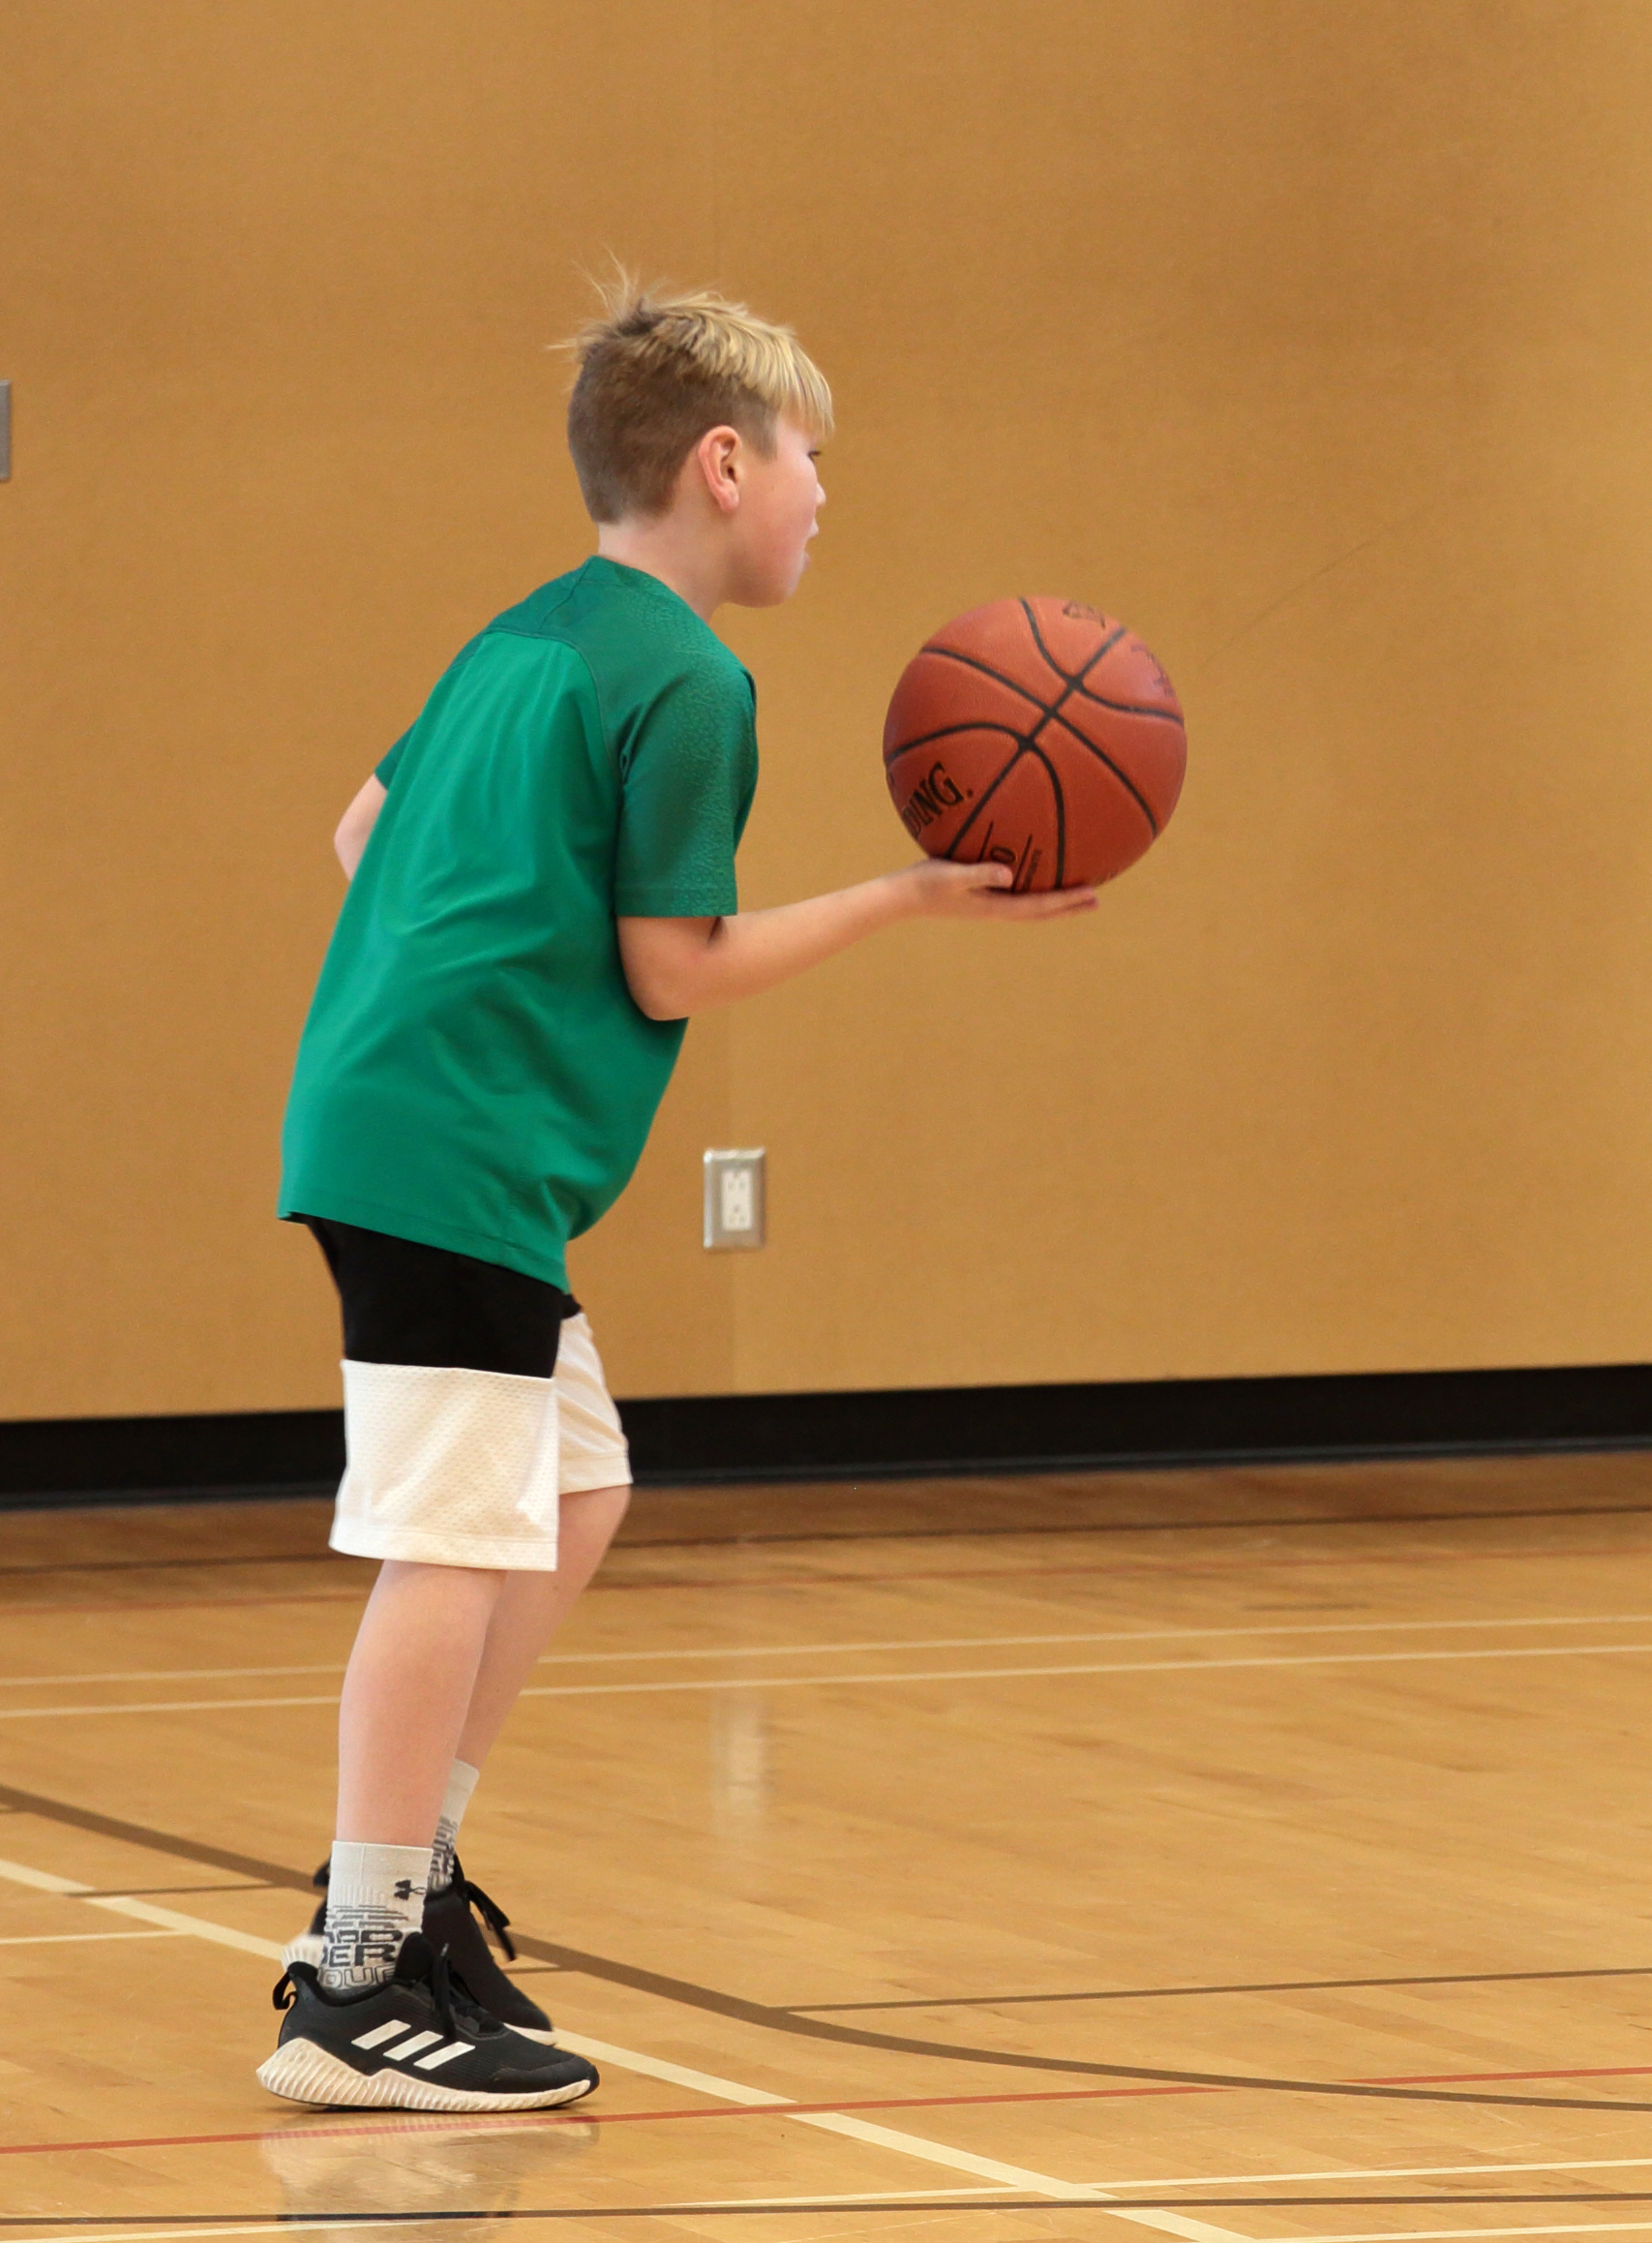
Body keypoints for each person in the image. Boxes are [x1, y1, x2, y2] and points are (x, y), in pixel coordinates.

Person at [256, 282, 1093, 2108]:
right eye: (811, 460)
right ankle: (354, 1977)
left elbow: (358, 835)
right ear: (725, 463)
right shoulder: (691, 678)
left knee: (577, 1485)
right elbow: (670, 967)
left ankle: (410, 1892)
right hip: (449, 1146)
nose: (820, 497)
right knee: (456, 1537)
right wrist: (908, 896)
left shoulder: (521, 636)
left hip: (410, 1118)